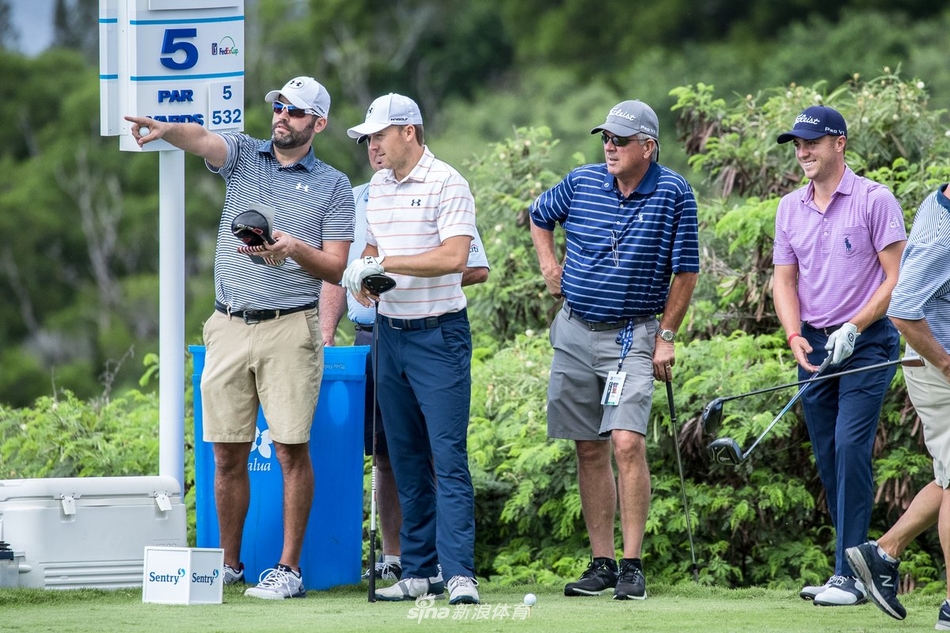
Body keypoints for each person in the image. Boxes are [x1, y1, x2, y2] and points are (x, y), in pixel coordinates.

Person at [125, 75, 354, 600]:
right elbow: (204, 140)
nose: (282, 116)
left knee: (291, 451)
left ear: (318, 123)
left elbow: (337, 268)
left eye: (295, 111)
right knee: (226, 453)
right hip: (228, 324)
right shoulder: (247, 154)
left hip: (290, 326)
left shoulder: (335, 184)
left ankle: (289, 570)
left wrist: (292, 249)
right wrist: (166, 129)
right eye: (279, 107)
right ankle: (227, 566)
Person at [528, 99, 699, 600]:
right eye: (606, 138)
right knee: (588, 445)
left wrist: (667, 336)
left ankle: (632, 565)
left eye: (620, 140)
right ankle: (601, 563)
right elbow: (539, 215)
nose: (609, 147)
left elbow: (686, 271)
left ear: (648, 147)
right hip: (574, 330)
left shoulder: (674, 193)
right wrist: (549, 266)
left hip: (633, 334)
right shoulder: (582, 181)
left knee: (626, 442)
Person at [319, 140, 490, 582]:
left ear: (408, 133)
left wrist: (388, 266)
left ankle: (457, 572)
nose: (372, 146)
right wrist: (367, 275)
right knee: (398, 457)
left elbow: (463, 261)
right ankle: (413, 569)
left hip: (437, 332)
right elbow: (361, 258)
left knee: (445, 456)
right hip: (381, 335)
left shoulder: (447, 182)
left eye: (380, 135)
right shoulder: (372, 190)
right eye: (366, 140)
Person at [772, 105, 907, 606]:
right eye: (797, 144)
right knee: (829, 455)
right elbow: (784, 280)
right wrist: (793, 335)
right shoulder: (789, 207)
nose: (802, 152)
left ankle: (851, 576)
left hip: (867, 343)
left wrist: (856, 325)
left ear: (840, 144)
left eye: (811, 143)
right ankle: (843, 572)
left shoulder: (875, 199)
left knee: (850, 447)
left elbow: (896, 278)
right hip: (812, 344)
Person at [845, 182, 950, 627]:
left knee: (946, 478)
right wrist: (946, 364)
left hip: (938, 363)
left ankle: (883, 552)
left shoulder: (940, 200)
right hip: (939, 369)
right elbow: (903, 310)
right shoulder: (943, 234)